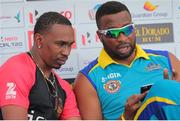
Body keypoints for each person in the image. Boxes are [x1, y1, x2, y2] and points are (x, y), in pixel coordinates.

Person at [73, 1, 180, 120]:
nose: (122, 38)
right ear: (99, 36)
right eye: (113, 33)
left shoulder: (167, 59)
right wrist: (125, 117)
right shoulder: (88, 78)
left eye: (128, 29)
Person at [0, 11, 80, 120]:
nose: (66, 52)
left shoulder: (64, 88)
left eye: (70, 45)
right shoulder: (16, 69)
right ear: (39, 40)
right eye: (60, 44)